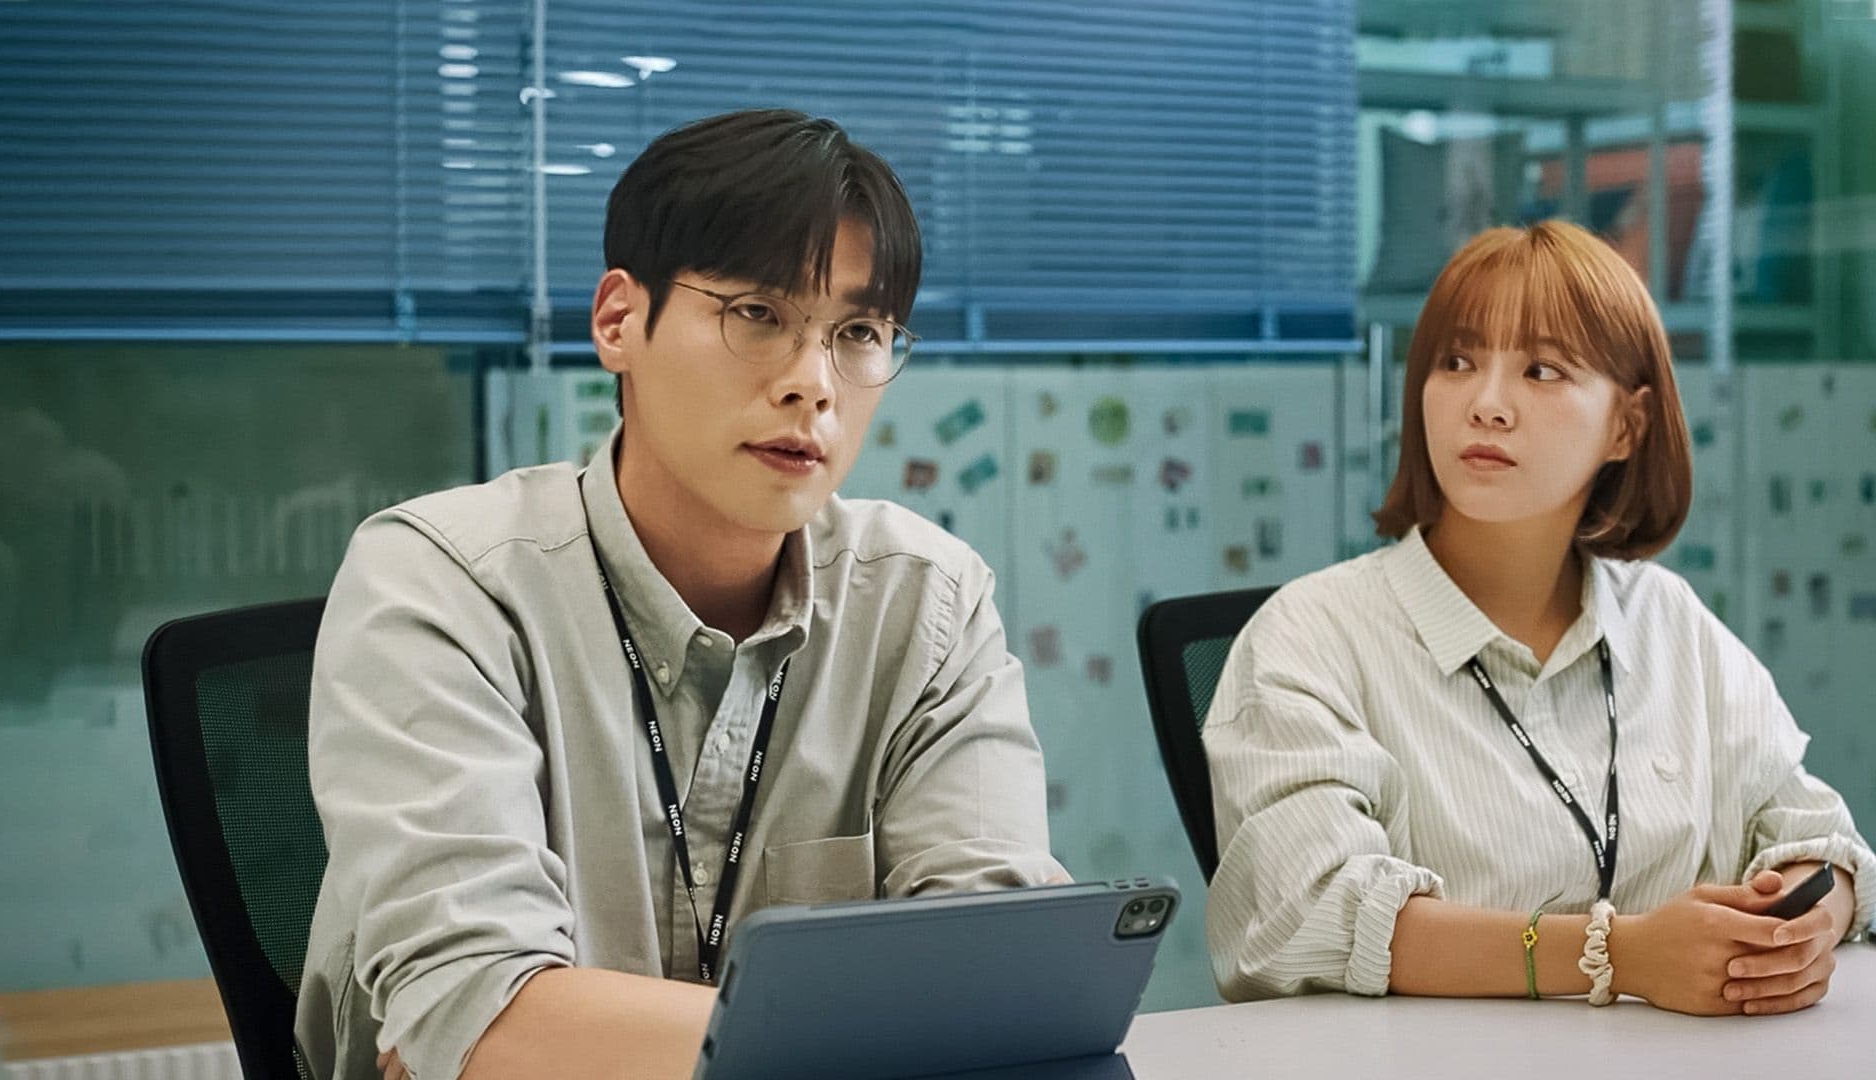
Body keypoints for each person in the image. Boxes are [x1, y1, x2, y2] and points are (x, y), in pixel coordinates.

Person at [296, 109, 1066, 1080]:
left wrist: (580, 1034)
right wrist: (882, 1022)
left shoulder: (927, 605)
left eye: (859, 332)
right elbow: (481, 1020)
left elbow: (1000, 980)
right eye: (758, 314)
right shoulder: (445, 582)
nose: (814, 385)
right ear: (619, 322)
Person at [1203, 220, 1872, 1016]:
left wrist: (1797, 930)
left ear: (1626, 426)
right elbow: (1309, 913)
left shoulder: (1667, 620)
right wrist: (1620, 955)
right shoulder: (1309, 637)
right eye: (1456, 363)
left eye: (1542, 370)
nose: (1486, 405)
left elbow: (1816, 838)